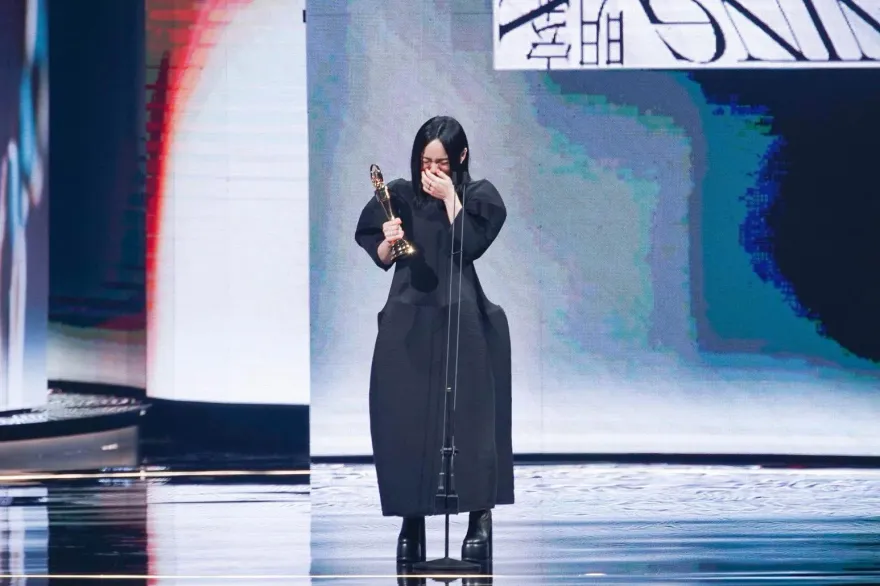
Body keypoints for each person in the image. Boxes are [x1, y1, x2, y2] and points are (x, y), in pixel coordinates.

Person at [355, 116, 514, 565]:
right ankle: (412, 520)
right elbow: (381, 254)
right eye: (425, 161)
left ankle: (479, 518)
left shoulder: (478, 195)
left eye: (441, 163)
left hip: (461, 314)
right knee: (405, 419)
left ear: (461, 157)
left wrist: (450, 199)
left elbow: (471, 244)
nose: (431, 171)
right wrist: (389, 242)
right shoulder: (399, 195)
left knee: (471, 421)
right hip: (409, 315)